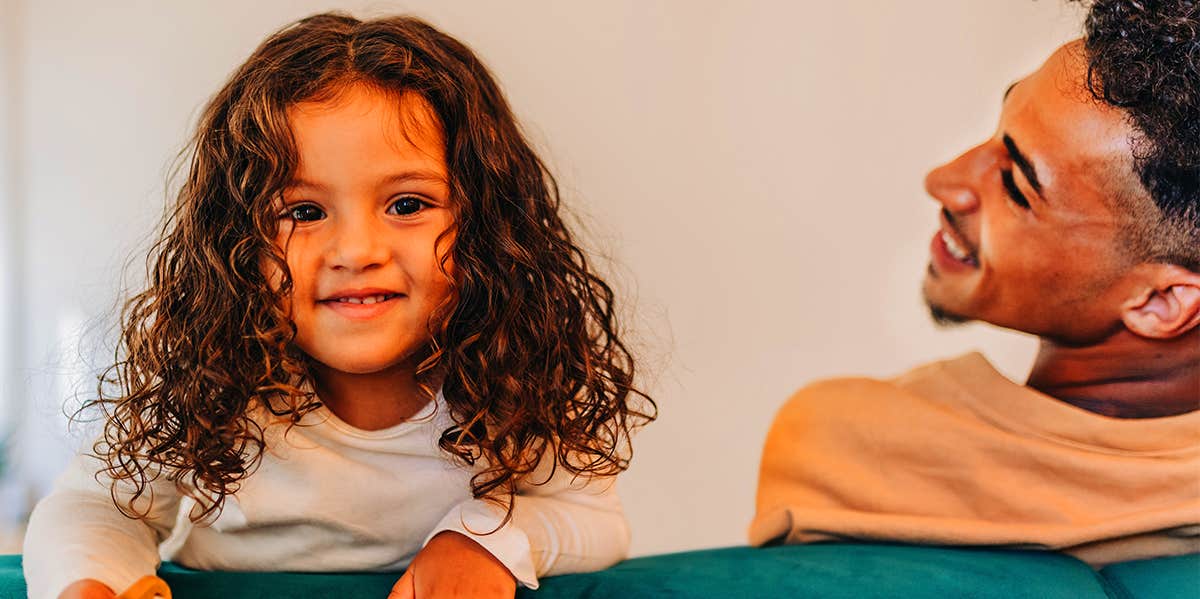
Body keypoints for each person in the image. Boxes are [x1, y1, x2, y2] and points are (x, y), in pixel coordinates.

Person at [23, 13, 655, 599]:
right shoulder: (209, 375)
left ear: (488, 225)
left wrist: (482, 542)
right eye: (303, 212)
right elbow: (96, 507)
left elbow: (593, 519)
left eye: (407, 205)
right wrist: (87, 584)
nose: (355, 251)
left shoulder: (522, 372)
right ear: (237, 244)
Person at [750, 0, 1199, 567]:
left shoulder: (841, 444)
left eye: (1015, 184)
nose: (945, 181)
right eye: (997, 128)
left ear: (1162, 302)